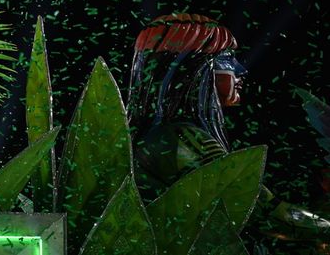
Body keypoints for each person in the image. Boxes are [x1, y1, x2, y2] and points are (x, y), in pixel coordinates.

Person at [128, 13, 330, 248]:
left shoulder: (167, 135)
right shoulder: (179, 139)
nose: (240, 70)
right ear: (193, 69)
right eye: (227, 59)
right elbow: (269, 215)